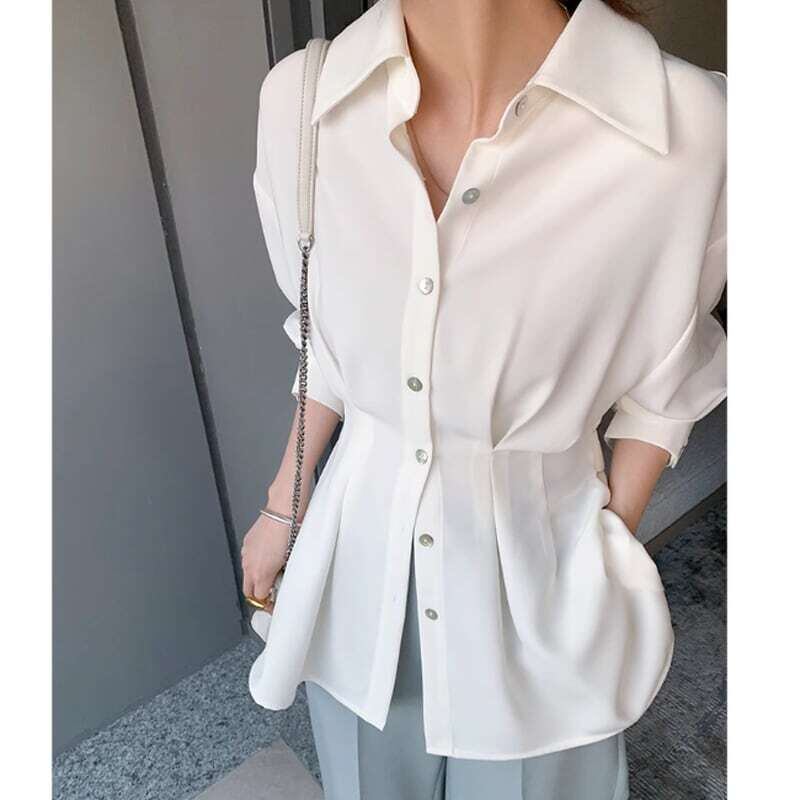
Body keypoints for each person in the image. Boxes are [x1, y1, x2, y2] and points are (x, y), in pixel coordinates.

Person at [241, 0, 727, 797]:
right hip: (355, 570)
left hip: (545, 585)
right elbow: (324, 343)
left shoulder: (687, 130)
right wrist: (281, 507)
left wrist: (609, 542)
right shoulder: (301, 103)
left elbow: (669, 382)